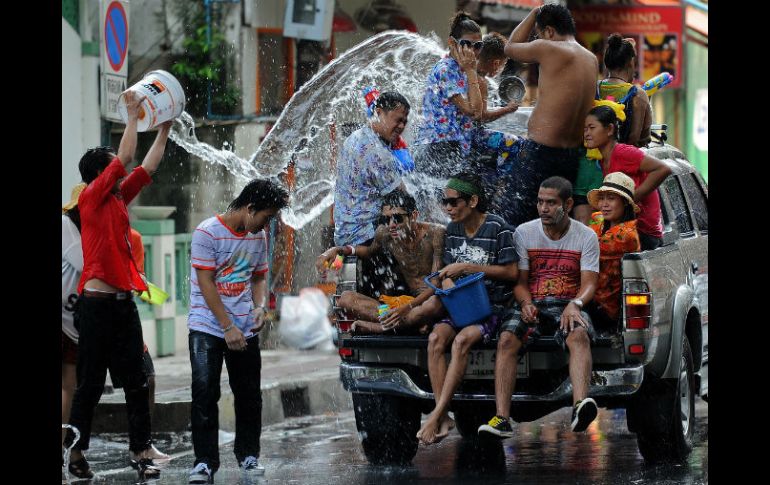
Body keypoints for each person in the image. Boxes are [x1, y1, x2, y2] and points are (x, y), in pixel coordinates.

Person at [63, 90, 172, 481]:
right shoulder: (92, 197)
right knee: (89, 386)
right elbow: (126, 157)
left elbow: (144, 167)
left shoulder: (118, 199)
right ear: (99, 173)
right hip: (96, 307)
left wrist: (163, 129)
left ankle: (141, 450)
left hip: (124, 306)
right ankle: (74, 455)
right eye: (112, 165)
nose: (120, 168)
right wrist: (131, 116)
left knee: (137, 380)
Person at [397, 173, 518, 445]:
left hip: (491, 308)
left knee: (462, 341)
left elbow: (511, 272)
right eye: (444, 203)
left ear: (473, 201)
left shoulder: (499, 228)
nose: (448, 208)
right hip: (459, 306)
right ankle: (444, 416)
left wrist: (469, 268)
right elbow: (444, 275)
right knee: (435, 339)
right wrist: (426, 296)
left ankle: (435, 414)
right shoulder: (452, 231)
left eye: (454, 202)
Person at [479, 176, 600, 439]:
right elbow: (520, 283)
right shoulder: (524, 232)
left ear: (567, 204)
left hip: (567, 303)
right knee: (507, 339)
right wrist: (525, 304)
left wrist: (575, 304)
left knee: (578, 334)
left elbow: (590, 284)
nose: (543, 208)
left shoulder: (586, 236)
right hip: (533, 302)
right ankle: (501, 418)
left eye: (551, 203)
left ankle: (580, 405)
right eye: (540, 202)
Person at [187, 179, 289, 484]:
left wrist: (259, 308)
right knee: (205, 391)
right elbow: (206, 284)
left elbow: (259, 278)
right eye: (266, 216)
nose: (267, 224)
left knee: (248, 395)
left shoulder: (257, 238)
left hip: (244, 326)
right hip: (207, 325)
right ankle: (204, 462)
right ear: (249, 208)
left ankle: (248, 455)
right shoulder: (207, 232)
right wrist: (227, 326)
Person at [497, 4, 598, 227]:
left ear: (549, 31)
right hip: (571, 156)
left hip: (541, 154)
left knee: (511, 221)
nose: (538, 39)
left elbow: (511, 47)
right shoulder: (591, 59)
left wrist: (534, 13)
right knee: (555, 226)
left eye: (540, 34)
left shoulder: (549, 48)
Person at [316, 190, 445, 334]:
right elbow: (368, 252)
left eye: (397, 218)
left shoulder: (435, 234)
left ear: (414, 215)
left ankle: (383, 326)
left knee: (433, 304)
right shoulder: (385, 234)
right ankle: (404, 325)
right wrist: (337, 249)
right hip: (404, 307)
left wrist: (407, 308)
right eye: (386, 219)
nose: (391, 225)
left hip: (428, 302)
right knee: (346, 299)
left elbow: (436, 286)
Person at [334, 90, 410, 298]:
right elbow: (403, 196)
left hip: (345, 232)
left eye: (405, 121)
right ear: (378, 112)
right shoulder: (378, 153)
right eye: (398, 119)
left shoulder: (355, 137)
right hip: (367, 237)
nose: (402, 126)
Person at [573, 34, 653, 223]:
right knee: (614, 237)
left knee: (584, 235)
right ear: (631, 62)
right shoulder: (638, 95)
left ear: (606, 63)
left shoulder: (591, 88)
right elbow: (638, 139)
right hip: (618, 175)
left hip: (586, 171)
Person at [583, 105, 672, 250]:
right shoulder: (601, 161)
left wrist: (631, 199)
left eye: (592, 127)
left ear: (610, 129)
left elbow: (663, 169)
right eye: (585, 129)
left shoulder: (623, 153)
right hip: (622, 230)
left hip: (643, 233)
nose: (587, 133)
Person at [413, 11, 485, 178]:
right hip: (439, 146)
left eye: (478, 46)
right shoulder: (446, 69)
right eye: (467, 44)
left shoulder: (462, 70)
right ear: (452, 43)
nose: (472, 51)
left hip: (453, 144)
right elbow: (474, 111)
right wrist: (471, 70)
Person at [586, 172, 641, 330]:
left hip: (604, 308)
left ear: (624, 202)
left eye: (611, 198)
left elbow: (585, 249)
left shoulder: (627, 235)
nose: (604, 204)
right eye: (602, 198)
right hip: (587, 296)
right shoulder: (598, 218)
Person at [62, 183, 86, 451]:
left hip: (74, 322)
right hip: (64, 319)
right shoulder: (66, 225)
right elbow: (85, 262)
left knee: (70, 386)